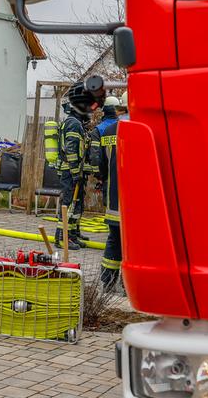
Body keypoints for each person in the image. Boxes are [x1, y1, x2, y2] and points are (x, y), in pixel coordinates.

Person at [54, 77, 103, 252]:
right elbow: (71, 151)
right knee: (68, 203)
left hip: (76, 172)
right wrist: (76, 173)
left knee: (77, 205)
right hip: (70, 172)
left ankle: (72, 234)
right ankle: (61, 238)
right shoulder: (73, 125)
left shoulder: (78, 124)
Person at [94, 96, 124, 289]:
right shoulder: (142, 128)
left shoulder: (108, 131)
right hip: (136, 205)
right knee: (135, 247)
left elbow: (101, 167)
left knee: (114, 240)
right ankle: (129, 284)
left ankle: (107, 282)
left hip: (114, 202)